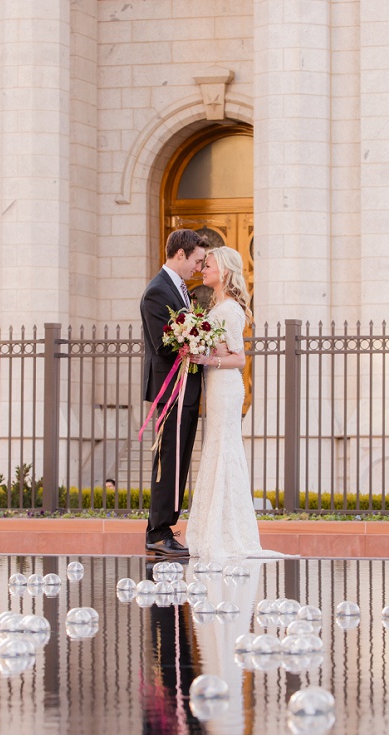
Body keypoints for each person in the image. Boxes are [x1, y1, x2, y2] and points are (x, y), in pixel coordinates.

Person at [186, 247, 292, 559]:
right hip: (216, 387)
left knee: (224, 448)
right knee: (218, 448)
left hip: (226, 388)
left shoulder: (230, 310)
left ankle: (226, 532)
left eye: (209, 265)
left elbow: (238, 359)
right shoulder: (217, 305)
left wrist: (205, 358)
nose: (204, 269)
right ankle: (214, 528)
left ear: (226, 271)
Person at [139, 229, 209, 556]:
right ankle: (157, 531)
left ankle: (167, 526)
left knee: (179, 459)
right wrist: (194, 341)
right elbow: (162, 343)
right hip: (171, 389)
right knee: (168, 459)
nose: (199, 267)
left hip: (187, 387)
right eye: (197, 260)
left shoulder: (180, 289)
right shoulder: (157, 291)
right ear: (180, 254)